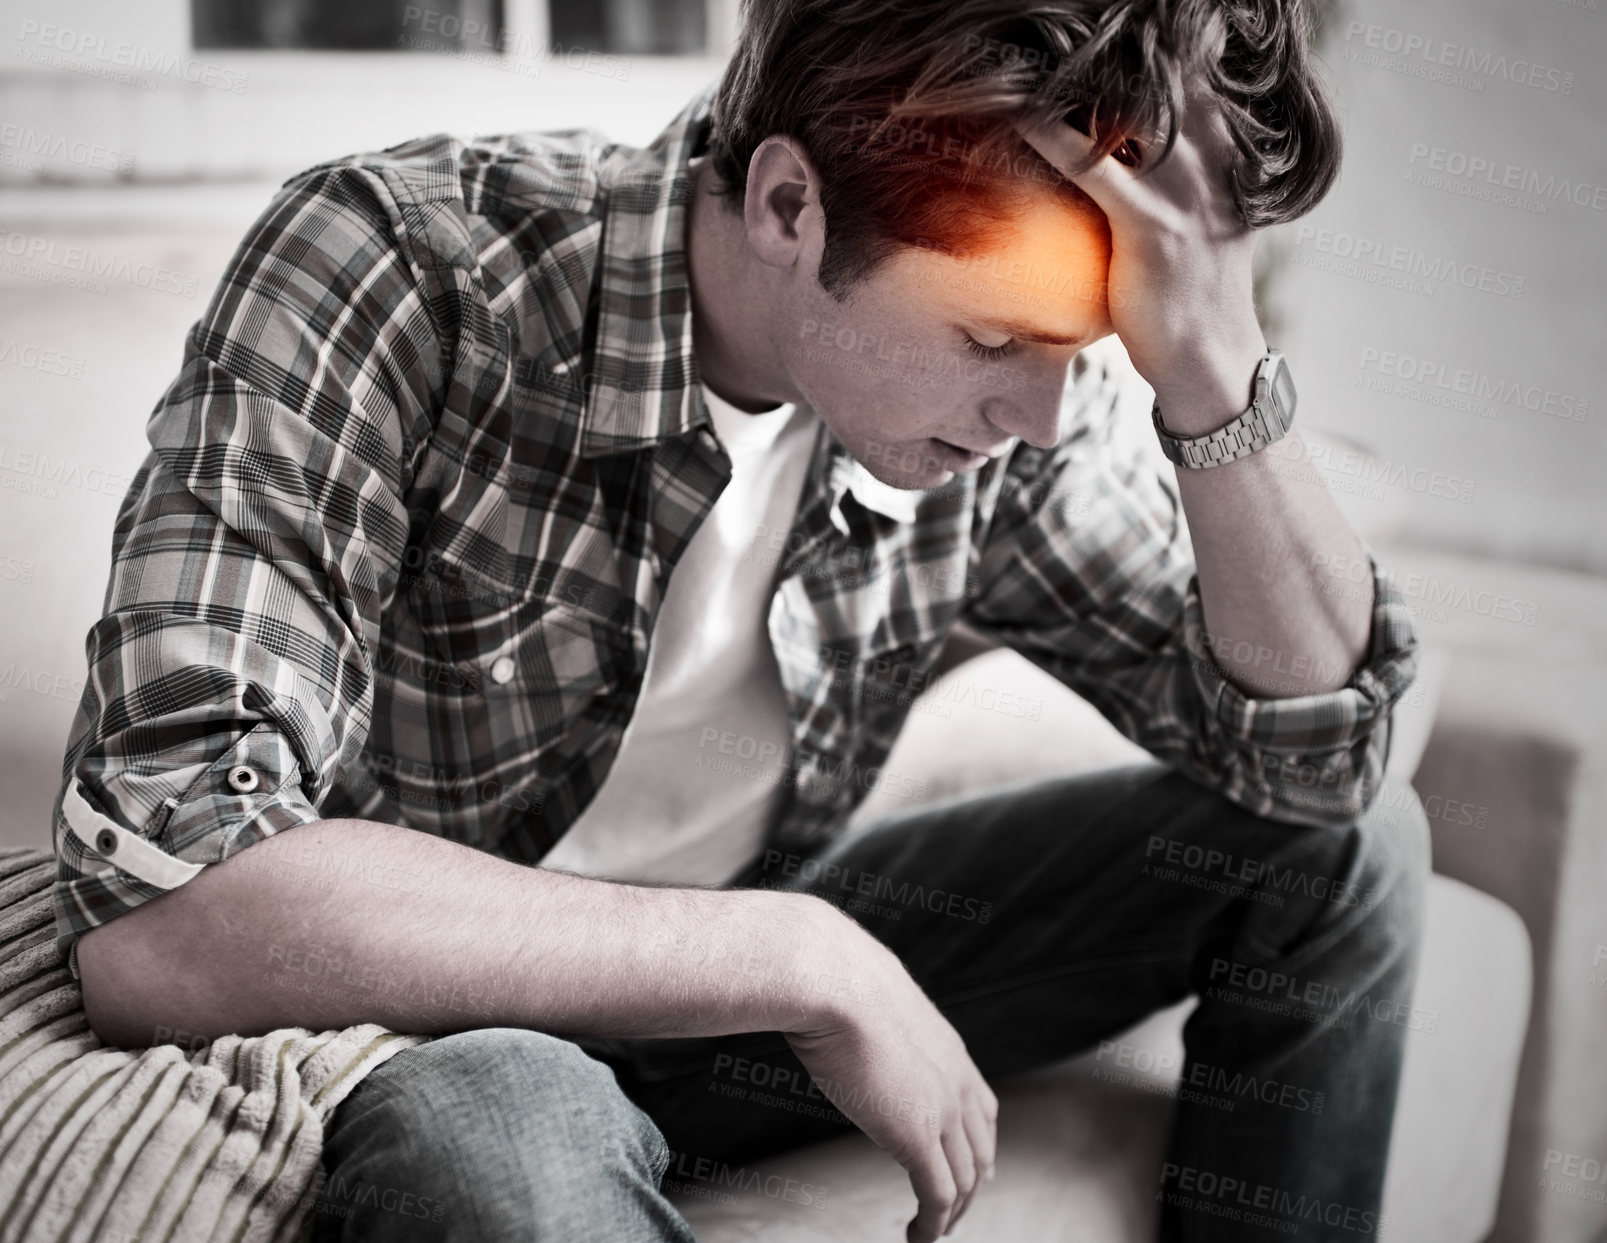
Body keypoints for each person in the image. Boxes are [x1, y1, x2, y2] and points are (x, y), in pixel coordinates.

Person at [54, 0, 1428, 1239]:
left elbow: (1312, 761)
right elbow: (173, 900)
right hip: (438, 1018)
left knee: (1347, 855)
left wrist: (1212, 359)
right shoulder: (404, 270)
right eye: (994, 341)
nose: (1040, 420)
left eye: (1086, 352)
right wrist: (795, 956)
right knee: (502, 1148)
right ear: (788, 206)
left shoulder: (1014, 435)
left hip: (743, 989)